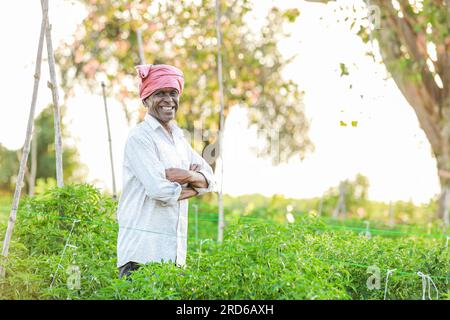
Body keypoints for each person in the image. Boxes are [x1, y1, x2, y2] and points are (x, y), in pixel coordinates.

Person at [116, 64, 216, 279]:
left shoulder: (179, 139)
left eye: (173, 93)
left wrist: (188, 176)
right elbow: (159, 190)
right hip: (141, 255)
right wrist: (195, 188)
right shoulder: (140, 137)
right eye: (159, 93)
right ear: (145, 100)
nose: (168, 99)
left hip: (173, 255)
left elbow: (210, 180)